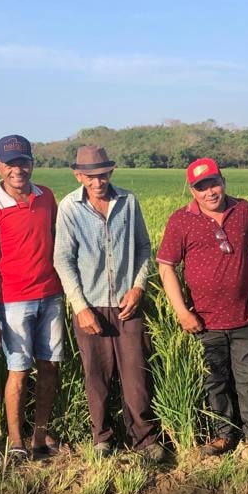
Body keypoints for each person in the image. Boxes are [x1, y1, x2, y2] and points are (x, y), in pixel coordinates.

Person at [157, 158, 248, 459]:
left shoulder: (243, 210)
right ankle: (223, 436)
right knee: (215, 380)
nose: (210, 192)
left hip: (246, 316)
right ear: (193, 191)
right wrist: (182, 311)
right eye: (201, 187)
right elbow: (166, 266)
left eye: (213, 183)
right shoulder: (180, 220)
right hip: (204, 321)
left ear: (223, 180)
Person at [53, 146, 163, 461]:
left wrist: (139, 287)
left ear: (111, 172)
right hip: (90, 304)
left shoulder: (128, 201)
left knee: (136, 375)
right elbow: (63, 260)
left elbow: (143, 246)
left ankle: (143, 438)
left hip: (129, 304)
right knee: (96, 375)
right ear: (78, 175)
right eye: (90, 176)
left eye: (102, 175)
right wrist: (80, 306)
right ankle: (102, 437)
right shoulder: (70, 208)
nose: (98, 181)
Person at [0, 134, 65, 459]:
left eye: (23, 162)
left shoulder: (47, 197)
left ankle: (40, 436)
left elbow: (60, 243)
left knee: (50, 367)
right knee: (19, 370)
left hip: (51, 295)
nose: (17, 169)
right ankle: (15, 441)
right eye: (10, 163)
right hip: (12, 301)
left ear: (32, 163)